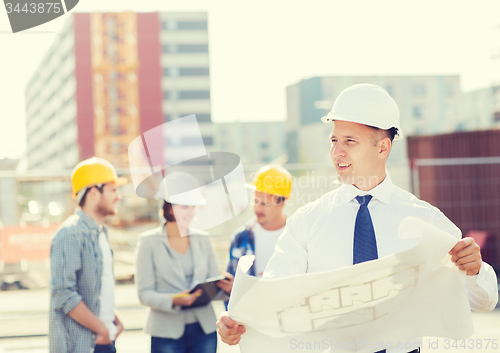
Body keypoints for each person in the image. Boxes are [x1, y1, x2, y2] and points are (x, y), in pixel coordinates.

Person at [217, 84, 499, 352]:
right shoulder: (307, 222)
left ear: (383, 148)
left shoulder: (424, 220)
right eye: (334, 140)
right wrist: (237, 320)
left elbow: (484, 301)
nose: (337, 151)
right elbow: (275, 295)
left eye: (350, 141)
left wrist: (475, 271)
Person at [135, 171, 231, 353]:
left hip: (204, 330)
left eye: (193, 206)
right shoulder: (148, 242)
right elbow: (144, 294)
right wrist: (177, 300)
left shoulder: (204, 239)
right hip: (166, 332)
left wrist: (226, 288)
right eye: (185, 207)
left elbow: (212, 287)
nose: (191, 212)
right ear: (170, 208)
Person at [49, 157, 127, 353]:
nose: (118, 197)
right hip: (84, 345)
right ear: (93, 193)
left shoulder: (100, 232)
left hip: (103, 340)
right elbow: (63, 293)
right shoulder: (70, 233)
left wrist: (114, 320)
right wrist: (101, 328)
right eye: (113, 190)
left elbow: (96, 289)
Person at [226, 165, 292, 280]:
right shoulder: (240, 238)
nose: (257, 209)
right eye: (255, 201)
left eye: (264, 204)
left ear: (281, 203)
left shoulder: (297, 236)